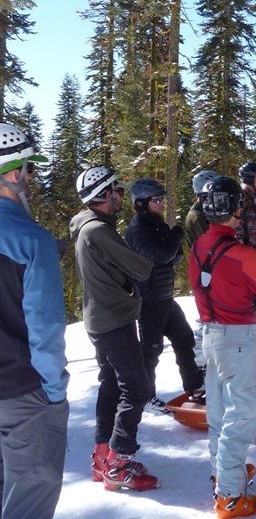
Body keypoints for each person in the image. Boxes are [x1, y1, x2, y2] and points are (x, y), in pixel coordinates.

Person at [189, 176, 256, 518]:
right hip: (237, 338)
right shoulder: (243, 253)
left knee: (219, 411)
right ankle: (229, 494)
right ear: (235, 210)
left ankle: (223, 473)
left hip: (210, 335)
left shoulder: (198, 246)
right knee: (242, 413)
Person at [70, 166, 159, 492]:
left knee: (112, 385)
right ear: (106, 194)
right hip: (113, 321)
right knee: (136, 389)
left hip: (103, 319)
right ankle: (118, 464)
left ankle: (102, 456)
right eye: (118, 191)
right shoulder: (98, 231)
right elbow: (140, 266)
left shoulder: (89, 228)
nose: (122, 195)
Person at [0, 123, 69, 519]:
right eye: (29, 170)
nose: (31, 179)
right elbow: (44, 329)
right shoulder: (31, 239)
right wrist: (55, 394)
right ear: (13, 173)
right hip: (23, 394)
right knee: (29, 499)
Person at [125, 178, 203, 413]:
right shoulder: (138, 229)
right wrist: (175, 235)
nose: (161, 204)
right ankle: (146, 397)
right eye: (156, 200)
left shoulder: (156, 224)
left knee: (185, 339)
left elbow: (175, 255)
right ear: (141, 203)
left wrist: (172, 243)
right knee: (150, 350)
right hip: (148, 300)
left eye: (161, 199)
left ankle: (195, 386)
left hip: (164, 296)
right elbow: (162, 255)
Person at [185, 169, 219, 370]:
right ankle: (200, 364)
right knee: (206, 318)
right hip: (205, 274)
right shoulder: (197, 216)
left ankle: (213, 363)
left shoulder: (205, 213)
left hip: (210, 272)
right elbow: (210, 245)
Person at [236, 162, 256, 268]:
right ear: (249, 178)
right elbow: (238, 226)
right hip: (246, 252)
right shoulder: (241, 198)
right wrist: (242, 250)